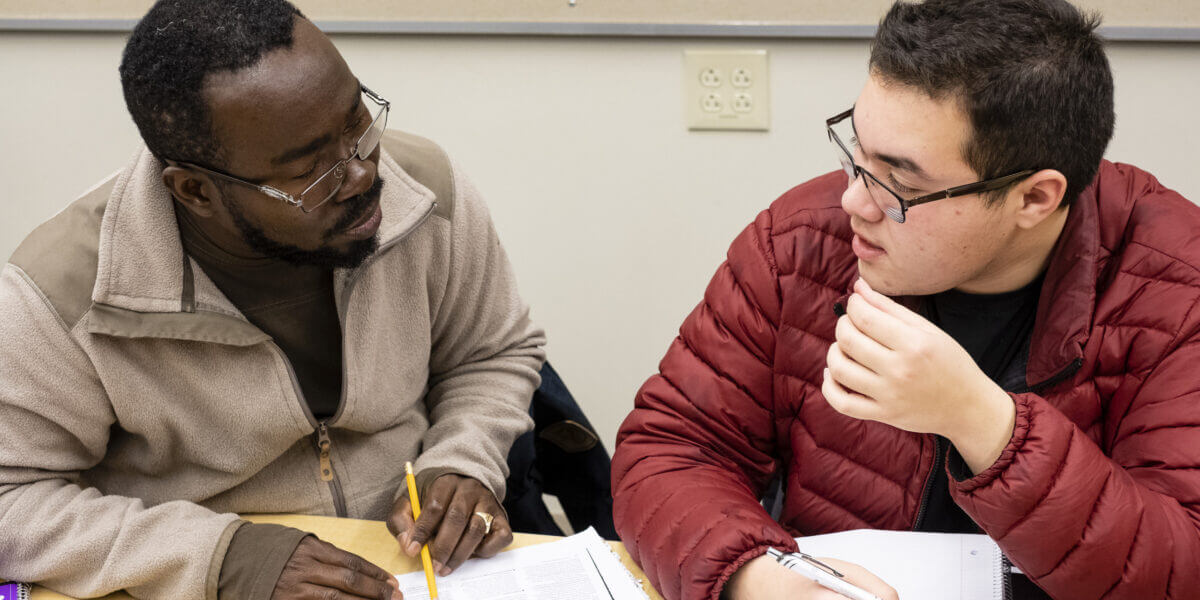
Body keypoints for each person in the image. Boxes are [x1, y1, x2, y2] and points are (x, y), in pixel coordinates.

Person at [611, 0, 1200, 599]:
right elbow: (673, 447)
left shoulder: (1175, 289)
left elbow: (1182, 567)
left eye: (900, 183)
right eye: (856, 152)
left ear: (1034, 199)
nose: (853, 203)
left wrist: (983, 422)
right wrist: (754, 579)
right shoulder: (800, 241)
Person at [0, 1, 546, 599]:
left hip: (416, 570)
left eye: (359, 124)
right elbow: (10, 499)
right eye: (311, 172)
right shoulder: (65, 294)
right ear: (195, 191)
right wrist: (219, 557)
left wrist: (464, 461)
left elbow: (491, 352)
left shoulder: (425, 193)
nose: (361, 174)